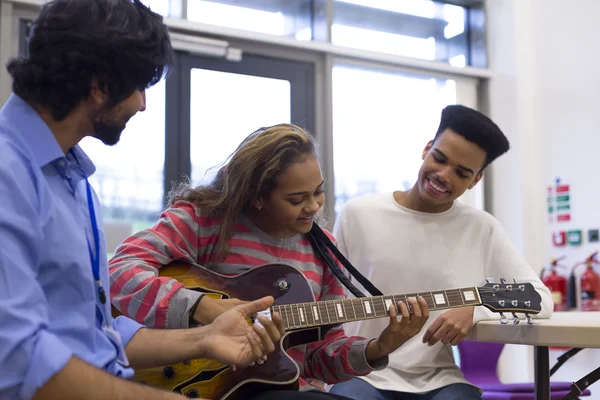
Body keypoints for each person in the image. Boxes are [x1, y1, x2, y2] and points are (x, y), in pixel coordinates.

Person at [0, 1, 284, 399]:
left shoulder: (75, 183)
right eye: (138, 86)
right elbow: (15, 358)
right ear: (99, 85)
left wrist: (205, 338)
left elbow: (95, 337)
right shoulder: (8, 173)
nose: (142, 103)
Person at [108, 123, 430, 399]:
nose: (314, 207)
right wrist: (201, 307)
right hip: (193, 384)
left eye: (318, 192)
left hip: (283, 388)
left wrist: (379, 347)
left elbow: (318, 358)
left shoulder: (324, 251)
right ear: (257, 196)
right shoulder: (204, 221)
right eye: (296, 199)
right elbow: (119, 271)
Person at [328, 104, 554, 400]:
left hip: (438, 379)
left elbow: (540, 298)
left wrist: (475, 308)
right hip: (363, 370)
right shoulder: (358, 213)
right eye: (440, 158)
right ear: (426, 149)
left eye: (461, 172)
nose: (444, 176)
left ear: (475, 180)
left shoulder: (481, 228)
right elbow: (327, 296)